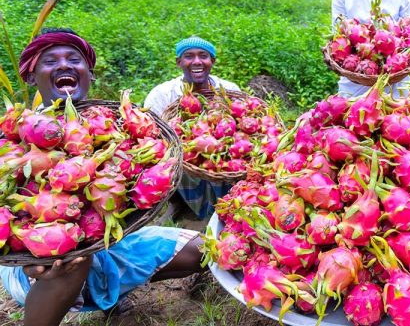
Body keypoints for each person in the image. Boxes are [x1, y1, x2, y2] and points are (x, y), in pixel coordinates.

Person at [0, 29, 204, 325]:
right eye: (50, 61)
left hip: (107, 246)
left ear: (89, 74)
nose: (64, 65)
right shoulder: (14, 138)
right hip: (40, 265)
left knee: (203, 250)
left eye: (74, 59)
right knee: (72, 260)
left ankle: (114, 292)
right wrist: (34, 255)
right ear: (32, 78)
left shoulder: (113, 128)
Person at [144, 36, 241, 220]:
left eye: (203, 56)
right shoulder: (162, 94)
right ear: (179, 62)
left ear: (212, 60)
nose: (197, 61)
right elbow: (151, 133)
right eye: (189, 56)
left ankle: (227, 206)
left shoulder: (228, 89)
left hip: (224, 160)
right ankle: (175, 202)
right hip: (181, 159)